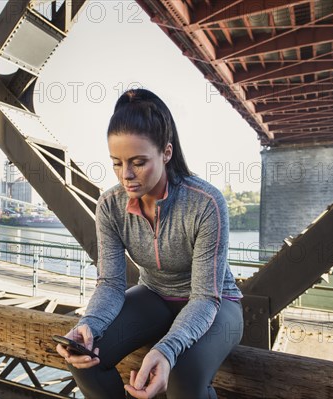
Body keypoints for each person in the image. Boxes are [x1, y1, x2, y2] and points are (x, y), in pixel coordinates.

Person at [55, 88, 243, 399]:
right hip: (155, 295)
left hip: (217, 304)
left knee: (183, 378)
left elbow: (204, 298)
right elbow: (111, 283)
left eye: (138, 162)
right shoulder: (110, 205)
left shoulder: (207, 203)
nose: (125, 175)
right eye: (116, 163)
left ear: (166, 153)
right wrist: (88, 323)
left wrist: (166, 349)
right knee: (86, 357)